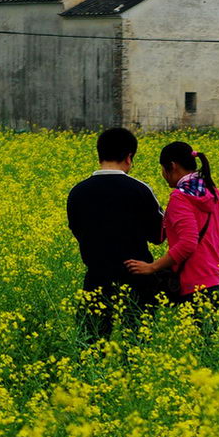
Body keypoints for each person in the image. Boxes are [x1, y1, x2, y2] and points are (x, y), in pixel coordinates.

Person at [66, 127, 164, 342]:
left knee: (91, 347)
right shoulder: (140, 190)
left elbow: (77, 230)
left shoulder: (78, 192)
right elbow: (159, 235)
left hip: (96, 277)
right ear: (129, 157)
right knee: (137, 346)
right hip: (138, 277)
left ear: (99, 154)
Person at [125, 141, 219, 331]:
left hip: (191, 282)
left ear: (172, 166)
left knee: (193, 347)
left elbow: (188, 243)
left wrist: (152, 267)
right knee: (205, 346)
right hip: (213, 280)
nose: (163, 175)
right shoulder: (214, 192)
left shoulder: (180, 197)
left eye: (163, 169)